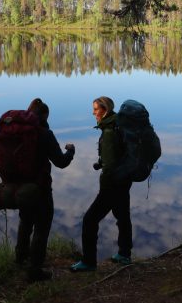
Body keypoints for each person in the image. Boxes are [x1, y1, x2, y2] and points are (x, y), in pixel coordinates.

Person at [70, 96, 133, 272]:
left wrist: (105, 186)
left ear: (105, 110)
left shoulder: (110, 132)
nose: (93, 112)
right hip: (125, 180)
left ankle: (89, 262)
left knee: (90, 220)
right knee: (123, 217)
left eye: (96, 109)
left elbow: (111, 164)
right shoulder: (118, 125)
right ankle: (124, 254)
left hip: (112, 184)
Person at [16, 98, 75, 281]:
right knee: (42, 227)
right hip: (40, 188)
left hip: (21, 187)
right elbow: (61, 162)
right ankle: (35, 270)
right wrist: (71, 151)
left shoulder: (18, 132)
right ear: (43, 116)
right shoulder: (45, 134)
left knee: (25, 222)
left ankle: (20, 259)